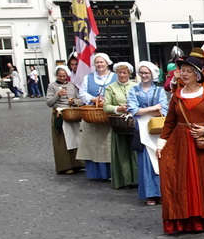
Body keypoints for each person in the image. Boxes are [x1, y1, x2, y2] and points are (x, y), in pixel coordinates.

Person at [157, 51, 204, 234]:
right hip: (181, 143)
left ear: (197, 75)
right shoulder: (177, 95)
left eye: (188, 71)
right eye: (182, 70)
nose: (184, 73)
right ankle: (185, 220)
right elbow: (170, 122)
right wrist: (161, 144)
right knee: (182, 180)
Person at [127, 61, 168, 205]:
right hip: (141, 128)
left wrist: (144, 110)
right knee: (146, 162)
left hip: (157, 128)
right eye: (142, 73)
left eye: (147, 73)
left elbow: (163, 109)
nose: (144, 75)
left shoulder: (159, 91)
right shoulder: (133, 90)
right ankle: (150, 193)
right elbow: (133, 110)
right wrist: (153, 108)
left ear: (152, 74)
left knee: (159, 159)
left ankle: (162, 192)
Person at [77, 52, 117, 180]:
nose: (99, 64)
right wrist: (94, 99)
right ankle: (96, 173)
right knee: (93, 144)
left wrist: (108, 100)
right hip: (92, 115)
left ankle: (112, 172)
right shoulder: (88, 78)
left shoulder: (115, 77)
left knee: (109, 143)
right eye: (97, 62)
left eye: (102, 62)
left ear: (107, 63)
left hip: (109, 115)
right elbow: (82, 93)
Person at [103, 61, 138, 190]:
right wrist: (119, 108)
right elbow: (106, 106)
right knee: (122, 151)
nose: (122, 75)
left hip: (133, 122)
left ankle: (137, 178)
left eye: (124, 72)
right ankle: (124, 179)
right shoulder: (110, 88)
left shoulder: (135, 86)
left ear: (129, 73)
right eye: (119, 72)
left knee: (135, 150)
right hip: (119, 123)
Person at [45, 65, 83, 174]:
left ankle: (78, 164)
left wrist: (74, 102)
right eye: (60, 76)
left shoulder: (72, 86)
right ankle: (65, 166)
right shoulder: (51, 86)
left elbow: (80, 100)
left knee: (75, 139)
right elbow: (49, 102)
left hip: (72, 115)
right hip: (59, 115)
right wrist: (57, 95)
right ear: (56, 76)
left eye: (64, 76)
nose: (62, 78)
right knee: (62, 141)